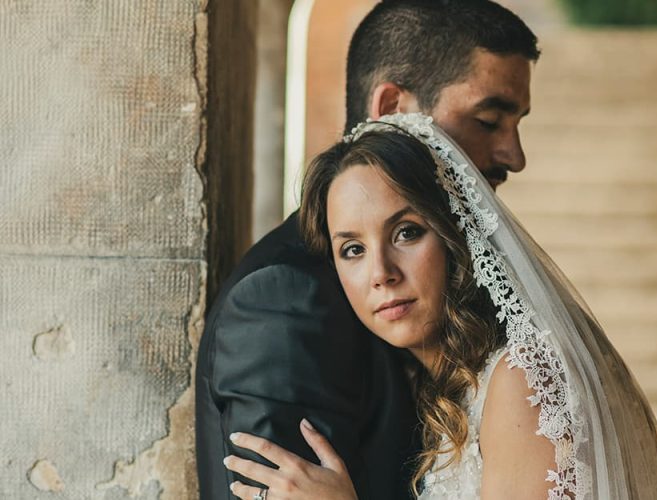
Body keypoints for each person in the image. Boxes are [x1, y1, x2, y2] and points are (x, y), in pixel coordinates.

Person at [224, 114, 657, 499]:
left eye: (406, 232)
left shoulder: (521, 378)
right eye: (353, 249)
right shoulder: (446, 391)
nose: (381, 272)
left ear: (456, 238)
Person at [194, 1, 540, 499]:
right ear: (393, 110)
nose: (514, 156)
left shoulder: (485, 335)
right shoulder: (286, 302)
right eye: (488, 120)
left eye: (407, 234)